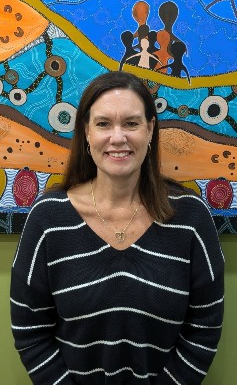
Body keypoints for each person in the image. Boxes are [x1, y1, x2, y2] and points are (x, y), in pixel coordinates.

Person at [10, 71, 224, 384]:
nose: (118, 137)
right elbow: (30, 332)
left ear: (150, 129)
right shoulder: (47, 219)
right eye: (103, 123)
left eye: (132, 123)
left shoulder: (191, 218)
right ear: (85, 132)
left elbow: (204, 328)